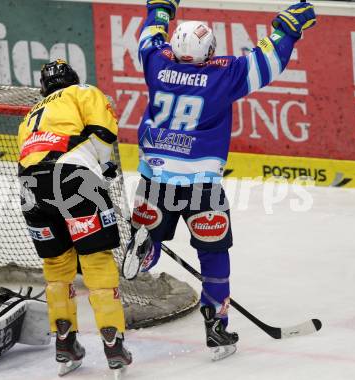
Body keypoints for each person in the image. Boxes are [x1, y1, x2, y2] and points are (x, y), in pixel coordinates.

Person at [131, 0, 316, 359]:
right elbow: (268, 60)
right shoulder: (224, 74)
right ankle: (216, 327)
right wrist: (287, 27)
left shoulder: (156, 62)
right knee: (213, 254)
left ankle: (145, 248)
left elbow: (150, 33)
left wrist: (161, 7)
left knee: (150, 230)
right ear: (208, 51)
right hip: (201, 184)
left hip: (155, 178)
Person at [17, 59, 132, 376]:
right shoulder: (83, 91)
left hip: (29, 188)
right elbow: (103, 131)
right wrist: (106, 167)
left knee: (56, 267)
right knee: (96, 259)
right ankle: (113, 344)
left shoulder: (29, 116)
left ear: (43, 88)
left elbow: (32, 157)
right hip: (75, 179)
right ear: (73, 78)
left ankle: (65, 343)